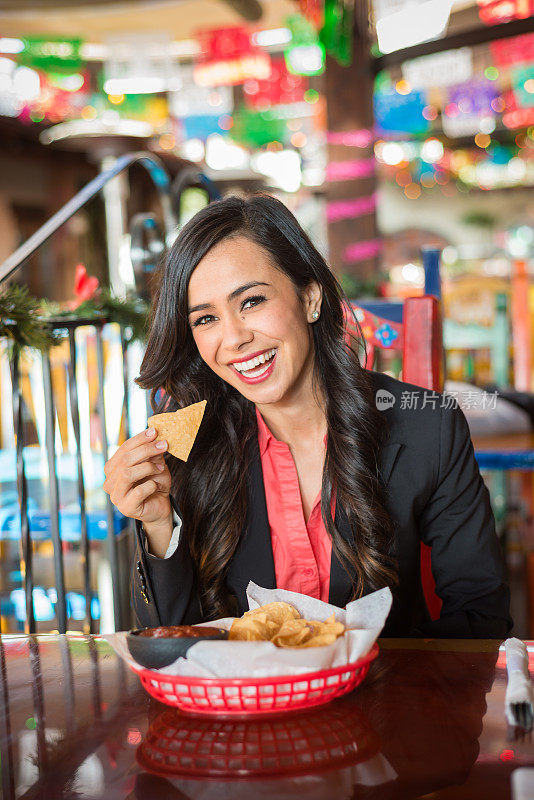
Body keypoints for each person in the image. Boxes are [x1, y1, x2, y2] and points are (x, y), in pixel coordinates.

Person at [103, 194, 511, 637]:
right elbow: (173, 644)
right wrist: (160, 523)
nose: (234, 338)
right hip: (247, 704)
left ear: (310, 297)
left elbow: (480, 617)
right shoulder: (190, 448)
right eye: (205, 320)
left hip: (384, 698)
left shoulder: (427, 428)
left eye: (252, 301)